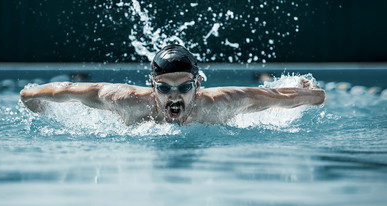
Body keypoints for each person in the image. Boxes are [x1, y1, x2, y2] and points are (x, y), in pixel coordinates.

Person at [20, 44, 325, 125]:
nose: (174, 96)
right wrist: (33, 96)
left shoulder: (223, 103)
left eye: (184, 87)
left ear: (198, 85)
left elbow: (276, 97)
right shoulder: (126, 101)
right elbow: (70, 91)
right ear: (152, 87)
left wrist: (312, 95)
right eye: (164, 88)